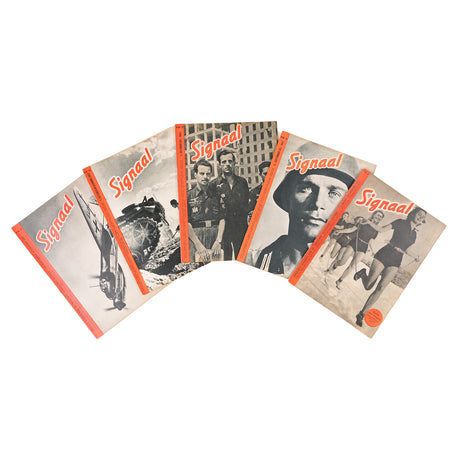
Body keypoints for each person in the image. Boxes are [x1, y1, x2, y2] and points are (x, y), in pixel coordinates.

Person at [256, 143, 361, 276]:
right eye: (306, 189)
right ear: (288, 197)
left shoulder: (331, 271)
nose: (318, 203)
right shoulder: (261, 258)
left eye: (334, 194)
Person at [353, 207, 426, 326]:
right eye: (419, 214)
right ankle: (362, 274)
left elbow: (407, 249)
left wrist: (416, 256)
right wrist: (369, 222)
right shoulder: (400, 222)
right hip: (385, 254)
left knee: (381, 287)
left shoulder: (414, 235)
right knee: (368, 286)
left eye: (423, 217)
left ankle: (362, 314)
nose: (421, 217)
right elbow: (381, 229)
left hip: (396, 260)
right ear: (413, 214)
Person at [211, 148, 249, 259]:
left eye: (230, 161)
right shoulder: (214, 184)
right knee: (225, 258)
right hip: (224, 229)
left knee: (241, 257)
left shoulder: (242, 182)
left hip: (241, 227)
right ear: (219, 165)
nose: (227, 164)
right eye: (224, 162)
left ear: (234, 163)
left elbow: (245, 205)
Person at [333, 210, 384, 289]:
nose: (378, 217)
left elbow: (370, 241)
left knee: (352, 266)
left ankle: (339, 281)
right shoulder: (363, 221)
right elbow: (351, 229)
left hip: (364, 247)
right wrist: (340, 231)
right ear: (374, 215)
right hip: (355, 242)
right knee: (342, 262)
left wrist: (373, 251)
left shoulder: (376, 230)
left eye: (380, 217)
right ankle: (335, 265)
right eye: (378, 215)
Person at [187, 158, 225, 262]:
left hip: (215, 235)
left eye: (208, 174)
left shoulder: (217, 194)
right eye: (202, 173)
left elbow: (222, 218)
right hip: (196, 237)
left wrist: (219, 241)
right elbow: (186, 223)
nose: (205, 177)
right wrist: (198, 244)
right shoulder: (188, 195)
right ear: (195, 174)